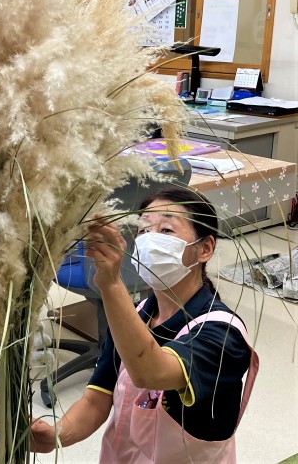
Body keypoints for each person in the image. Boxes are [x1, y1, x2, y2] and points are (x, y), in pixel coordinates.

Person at [31, 186, 258, 463]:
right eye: (143, 231)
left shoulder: (224, 333)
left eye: (166, 230)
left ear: (205, 248)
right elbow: (96, 399)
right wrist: (56, 435)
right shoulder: (136, 315)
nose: (150, 240)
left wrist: (111, 285)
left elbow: (151, 372)